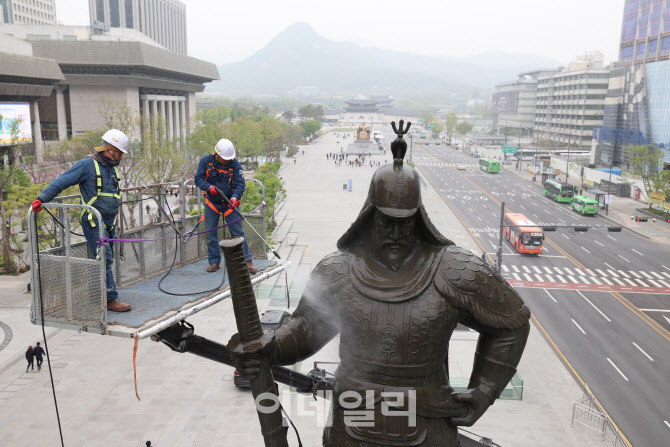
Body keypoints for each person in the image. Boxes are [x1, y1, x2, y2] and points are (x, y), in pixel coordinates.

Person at [234, 127, 530, 446]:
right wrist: (272, 346)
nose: (397, 233)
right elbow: (307, 328)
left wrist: (483, 390)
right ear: (369, 214)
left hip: (428, 423)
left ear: (419, 219)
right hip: (352, 423)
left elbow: (511, 325)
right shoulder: (339, 270)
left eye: (406, 222)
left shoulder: (454, 269)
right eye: (387, 221)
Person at [32, 129, 131, 312]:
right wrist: (42, 198)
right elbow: (62, 181)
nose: (120, 157)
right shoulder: (87, 165)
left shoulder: (111, 169)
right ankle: (110, 298)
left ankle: (98, 293)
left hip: (109, 220)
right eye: (118, 152)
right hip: (94, 220)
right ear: (108, 148)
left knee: (102, 257)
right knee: (105, 256)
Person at [194, 138, 257, 274]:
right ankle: (214, 261)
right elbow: (198, 179)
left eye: (229, 159)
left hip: (229, 203)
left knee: (238, 234)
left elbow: (240, 184)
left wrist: (235, 197)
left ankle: (247, 260)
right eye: (225, 159)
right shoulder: (206, 161)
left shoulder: (235, 165)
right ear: (217, 155)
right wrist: (209, 187)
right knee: (210, 232)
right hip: (213, 202)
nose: (227, 161)